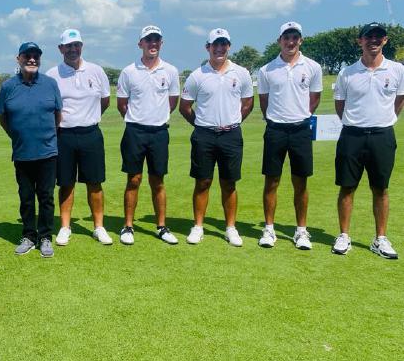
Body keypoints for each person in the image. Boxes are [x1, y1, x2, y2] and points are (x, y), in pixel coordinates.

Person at [332, 22, 404, 259]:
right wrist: (357, 122)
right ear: (359, 41)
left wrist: (384, 119)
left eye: (378, 37)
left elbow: (399, 101)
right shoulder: (347, 72)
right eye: (368, 37)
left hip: (382, 135)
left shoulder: (397, 70)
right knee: (347, 187)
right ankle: (344, 235)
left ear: (385, 41)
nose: (373, 40)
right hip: (352, 135)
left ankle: (380, 238)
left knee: (380, 188)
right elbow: (340, 106)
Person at [179, 28, 254, 246]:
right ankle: (198, 226)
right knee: (202, 182)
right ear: (208, 47)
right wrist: (201, 124)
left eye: (224, 44)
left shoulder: (241, 73)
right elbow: (185, 107)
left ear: (229, 46)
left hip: (231, 134)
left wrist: (234, 121)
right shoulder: (197, 75)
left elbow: (248, 103)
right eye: (215, 44)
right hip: (204, 135)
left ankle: (230, 227)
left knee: (229, 183)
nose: (219, 48)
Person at [256, 22, 322, 249]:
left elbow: (314, 99)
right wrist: (277, 119)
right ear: (279, 41)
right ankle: (269, 228)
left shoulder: (313, 67)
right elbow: (264, 102)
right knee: (271, 181)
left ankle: (301, 231)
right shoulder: (266, 70)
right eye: (287, 37)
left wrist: (300, 116)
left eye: (295, 37)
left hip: (301, 130)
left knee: (300, 182)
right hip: (275, 130)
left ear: (300, 40)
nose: (291, 42)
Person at [45, 29, 112, 246]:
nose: (73, 49)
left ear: (81, 46)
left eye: (77, 45)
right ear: (61, 48)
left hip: (90, 133)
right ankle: (65, 227)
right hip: (63, 134)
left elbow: (104, 101)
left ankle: (98, 227)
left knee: (95, 182)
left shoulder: (96, 70)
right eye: (68, 46)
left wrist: (88, 118)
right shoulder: (52, 74)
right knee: (66, 183)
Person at [116, 25, 180, 246]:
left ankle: (162, 226)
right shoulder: (129, 71)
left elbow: (172, 102)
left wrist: (155, 117)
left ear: (161, 43)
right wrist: (140, 119)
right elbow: (122, 104)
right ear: (140, 43)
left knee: (158, 181)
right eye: (148, 40)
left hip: (159, 132)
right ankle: (128, 226)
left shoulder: (170, 71)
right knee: (133, 179)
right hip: (135, 131)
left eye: (156, 40)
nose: (152, 43)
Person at [0, 42, 62, 258]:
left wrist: (47, 137)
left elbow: (57, 116)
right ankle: (28, 235)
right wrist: (18, 136)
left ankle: (45, 237)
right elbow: (3, 117)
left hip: (47, 152)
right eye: (27, 56)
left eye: (36, 56)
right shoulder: (8, 87)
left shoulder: (50, 84)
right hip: (22, 152)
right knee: (26, 197)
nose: (32, 59)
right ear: (19, 59)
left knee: (46, 197)